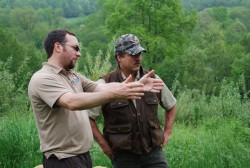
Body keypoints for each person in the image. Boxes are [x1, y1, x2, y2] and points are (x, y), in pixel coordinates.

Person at [28, 30, 164, 168]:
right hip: (62, 158)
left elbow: (101, 88)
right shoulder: (43, 78)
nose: (79, 53)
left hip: (82, 156)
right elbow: (71, 102)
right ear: (58, 47)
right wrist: (117, 94)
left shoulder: (72, 76)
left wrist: (136, 85)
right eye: (75, 48)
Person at [88, 34, 177, 168]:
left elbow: (171, 105)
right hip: (124, 156)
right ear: (119, 57)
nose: (139, 58)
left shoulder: (152, 79)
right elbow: (89, 117)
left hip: (154, 154)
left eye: (140, 53)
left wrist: (168, 132)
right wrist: (104, 146)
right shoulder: (104, 83)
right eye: (133, 54)